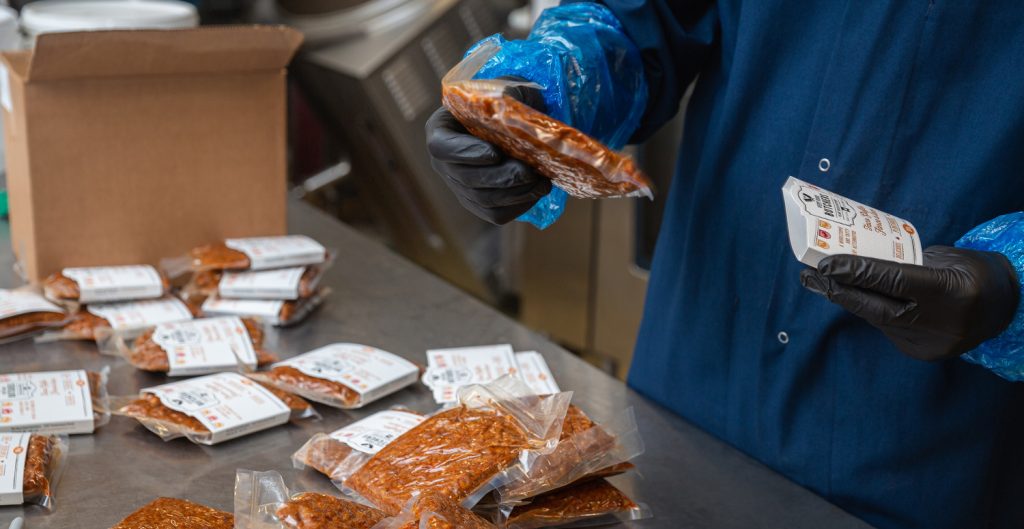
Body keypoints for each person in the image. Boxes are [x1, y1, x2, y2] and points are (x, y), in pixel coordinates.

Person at [425, 2, 1024, 529]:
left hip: (923, 442)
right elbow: (645, 18)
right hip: (696, 380)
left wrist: (1011, 290)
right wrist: (534, 99)